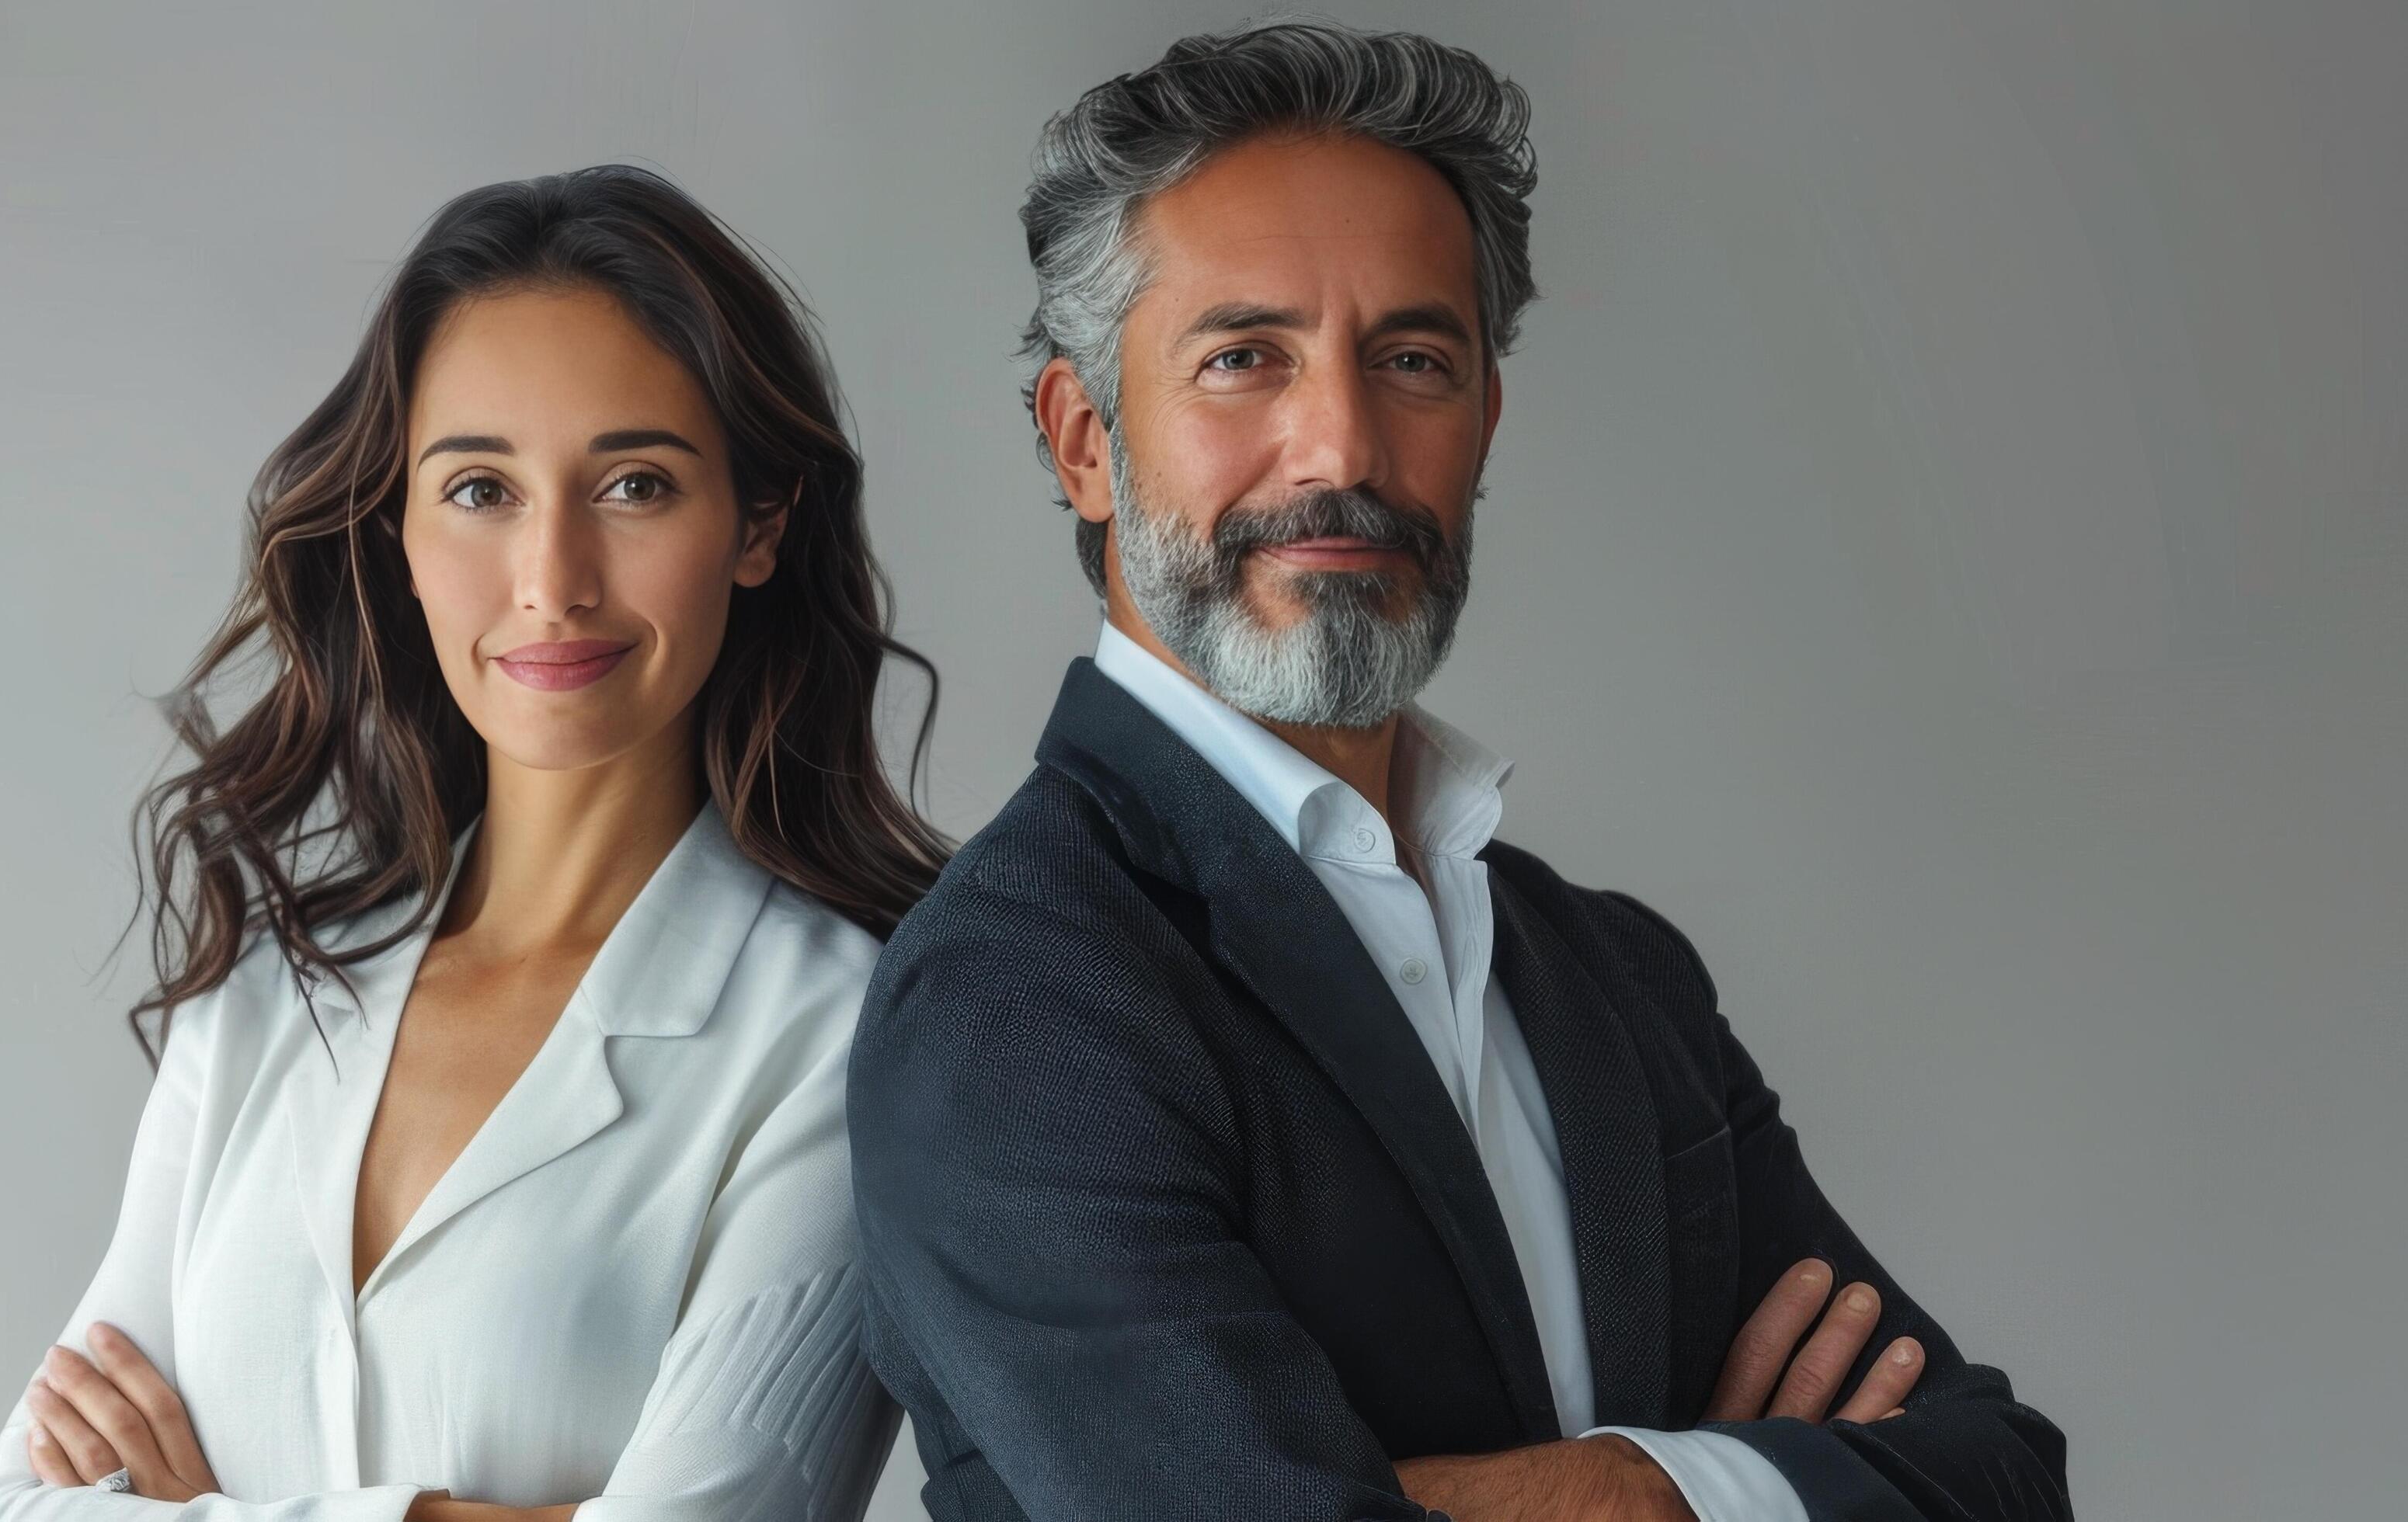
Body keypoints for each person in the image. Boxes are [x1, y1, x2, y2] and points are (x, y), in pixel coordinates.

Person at [848, 22, 2069, 1522]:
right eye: (1244, 359)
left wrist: (1631, 1490)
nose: (1340, 445)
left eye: (1411, 358)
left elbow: (2004, 1479)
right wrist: (1739, 1487)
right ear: (1085, 439)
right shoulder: (1014, 999)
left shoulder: (1612, 971)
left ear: (1481, 420)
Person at [0, 165, 946, 1522]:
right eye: (480, 490)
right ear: (402, 534)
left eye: (636, 485)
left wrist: (193, 1514)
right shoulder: (271, 996)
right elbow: (10, 1507)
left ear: (757, 525)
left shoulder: (851, 1042)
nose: (552, 580)